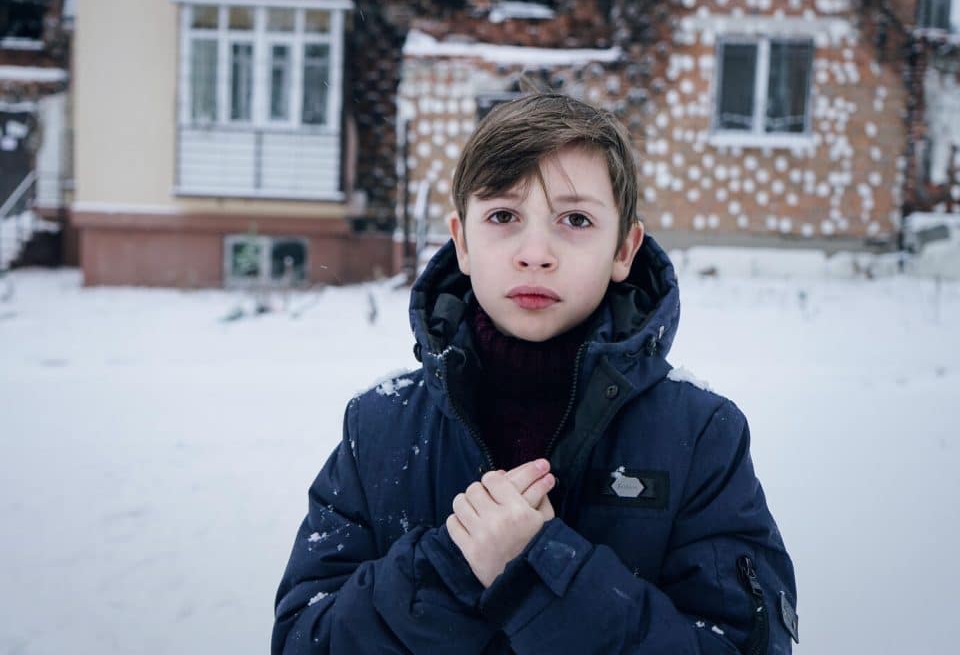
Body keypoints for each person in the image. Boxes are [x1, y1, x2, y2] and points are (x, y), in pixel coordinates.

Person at [272, 93, 798, 654]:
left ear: (624, 247)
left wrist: (544, 575)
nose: (535, 252)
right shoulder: (377, 429)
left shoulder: (699, 436)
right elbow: (306, 640)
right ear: (462, 240)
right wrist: (449, 571)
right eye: (503, 216)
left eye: (575, 219)